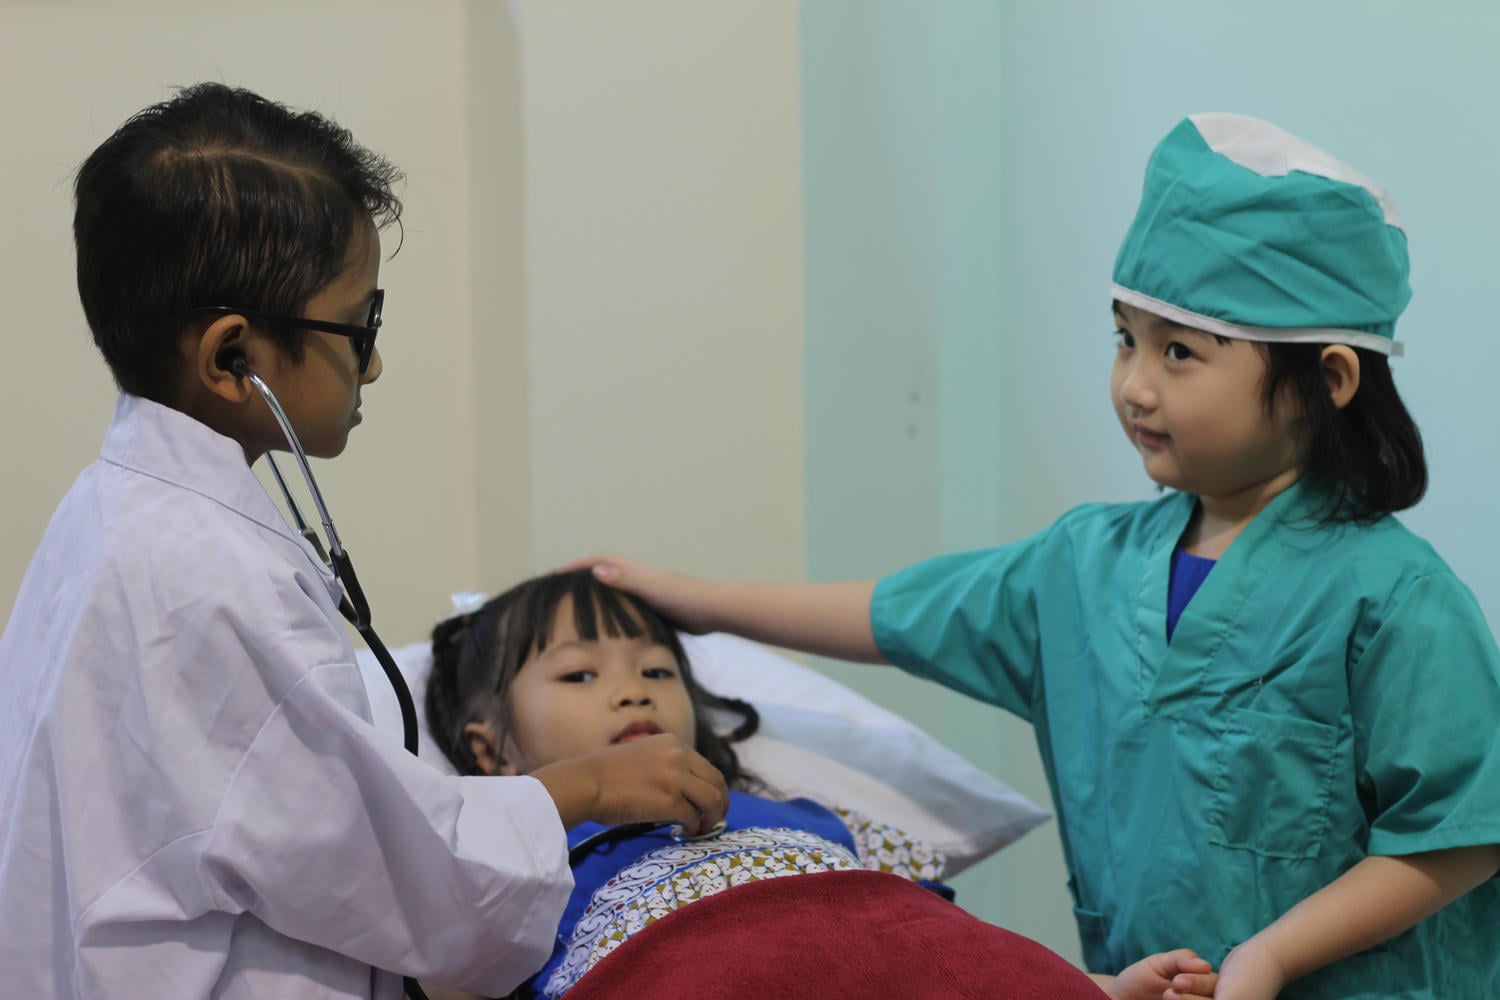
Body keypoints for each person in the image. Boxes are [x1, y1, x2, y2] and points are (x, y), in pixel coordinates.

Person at [569, 114, 1500, 999]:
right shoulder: (1084, 567)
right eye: (1125, 340)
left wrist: (1273, 954)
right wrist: (696, 600)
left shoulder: (1394, 598)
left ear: (1328, 380)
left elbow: (1460, 836)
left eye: (1180, 353)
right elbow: (895, 614)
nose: (1135, 386)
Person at [0, 83, 726, 1000]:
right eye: (360, 323)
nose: (373, 363)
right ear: (232, 357)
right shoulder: (208, 579)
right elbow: (403, 878)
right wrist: (588, 787)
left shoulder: (113, 513)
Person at [427, 568, 1212, 1000]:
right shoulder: (504, 844)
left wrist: (1092, 988)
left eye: (658, 671)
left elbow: (948, 945)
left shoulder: (801, 816)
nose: (632, 692)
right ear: (490, 749)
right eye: (580, 674)